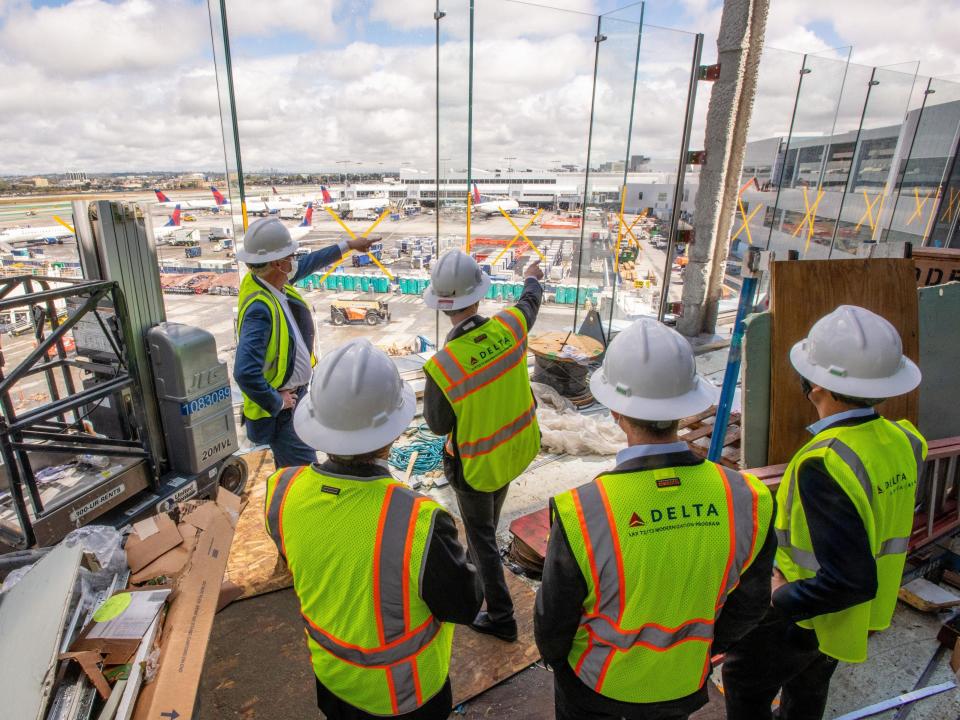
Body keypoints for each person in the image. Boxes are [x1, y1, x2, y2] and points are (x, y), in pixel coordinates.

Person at [535, 318, 775, 720]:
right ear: (687, 404)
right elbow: (750, 606)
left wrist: (561, 666)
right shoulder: (747, 498)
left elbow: (553, 624)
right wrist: (701, 649)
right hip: (680, 684)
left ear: (614, 410)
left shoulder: (585, 511)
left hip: (597, 685)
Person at [722, 305, 927, 720]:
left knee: (746, 685)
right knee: (809, 690)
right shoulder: (905, 440)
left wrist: (782, 596)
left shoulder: (826, 462)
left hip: (800, 616)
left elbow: (850, 579)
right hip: (849, 620)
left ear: (815, 384)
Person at [264, 339, 482, 720]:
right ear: (394, 432)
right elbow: (465, 605)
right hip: (407, 697)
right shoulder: (419, 522)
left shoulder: (282, 490)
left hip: (332, 681)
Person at [422, 249, 544, 642]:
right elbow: (530, 301)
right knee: (486, 528)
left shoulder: (446, 365)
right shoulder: (510, 327)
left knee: (482, 539)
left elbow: (438, 424)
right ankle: (482, 574)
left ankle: (502, 616)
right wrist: (532, 276)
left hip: (474, 467)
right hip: (514, 451)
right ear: (479, 296)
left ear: (443, 307)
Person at [234, 217, 375, 468]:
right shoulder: (260, 308)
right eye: (291, 256)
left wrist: (349, 245)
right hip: (281, 412)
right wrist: (277, 401)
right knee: (301, 470)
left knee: (289, 469)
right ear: (279, 263)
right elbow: (244, 372)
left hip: (294, 398)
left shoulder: (265, 279)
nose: (295, 260)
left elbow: (310, 263)